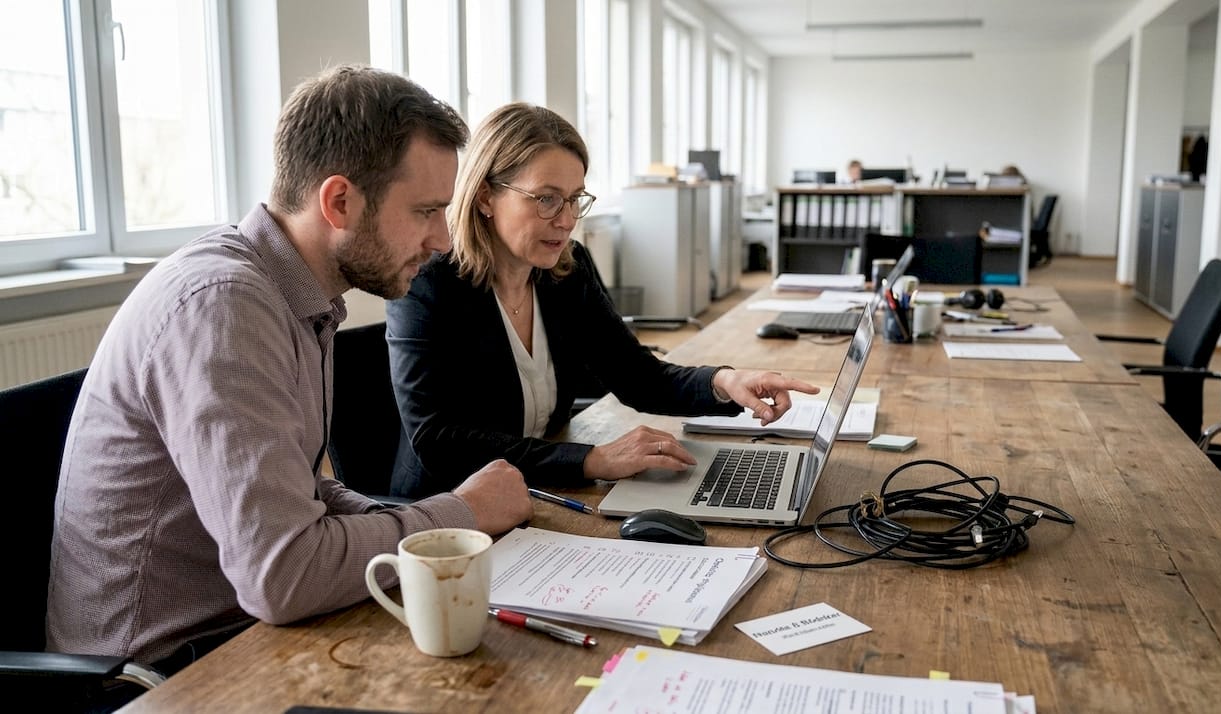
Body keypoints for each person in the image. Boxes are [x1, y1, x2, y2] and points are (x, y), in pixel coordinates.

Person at [45, 65, 533, 677]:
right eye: (426, 211)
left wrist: (406, 520)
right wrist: (458, 516)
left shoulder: (298, 294)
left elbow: (294, 486)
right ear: (338, 201)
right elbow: (284, 573)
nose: (442, 238)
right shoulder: (225, 307)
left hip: (244, 628)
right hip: (162, 672)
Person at [385, 102, 819, 498]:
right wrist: (592, 460)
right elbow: (439, 440)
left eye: (575, 199)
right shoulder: (429, 283)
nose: (568, 220)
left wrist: (725, 382)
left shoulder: (566, 271)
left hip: (543, 490)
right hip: (449, 511)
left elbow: (635, 374)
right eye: (547, 199)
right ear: (485, 197)